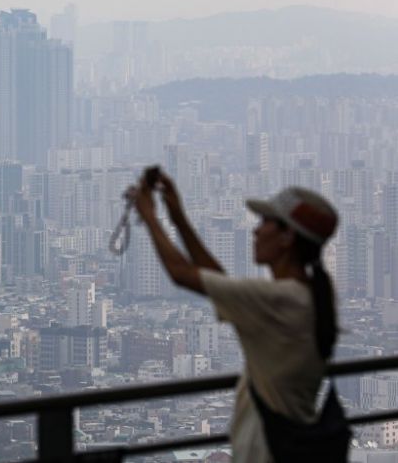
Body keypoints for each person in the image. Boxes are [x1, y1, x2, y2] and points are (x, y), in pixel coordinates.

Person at [126, 168, 339, 463]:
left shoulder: (279, 299)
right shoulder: (306, 296)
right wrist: (177, 218)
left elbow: (182, 274)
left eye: (265, 222)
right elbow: (221, 284)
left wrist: (149, 215)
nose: (256, 231)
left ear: (287, 237)